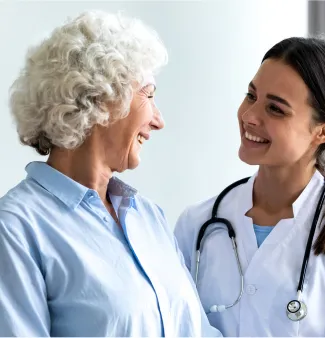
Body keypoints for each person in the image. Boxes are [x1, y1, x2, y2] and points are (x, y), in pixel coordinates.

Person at [0, 10, 220, 337]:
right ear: (101, 99)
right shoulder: (16, 229)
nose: (159, 120)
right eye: (149, 95)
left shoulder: (148, 217)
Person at [174, 37, 325, 337]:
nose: (249, 116)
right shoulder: (198, 224)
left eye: (275, 109)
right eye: (251, 96)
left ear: (324, 131)